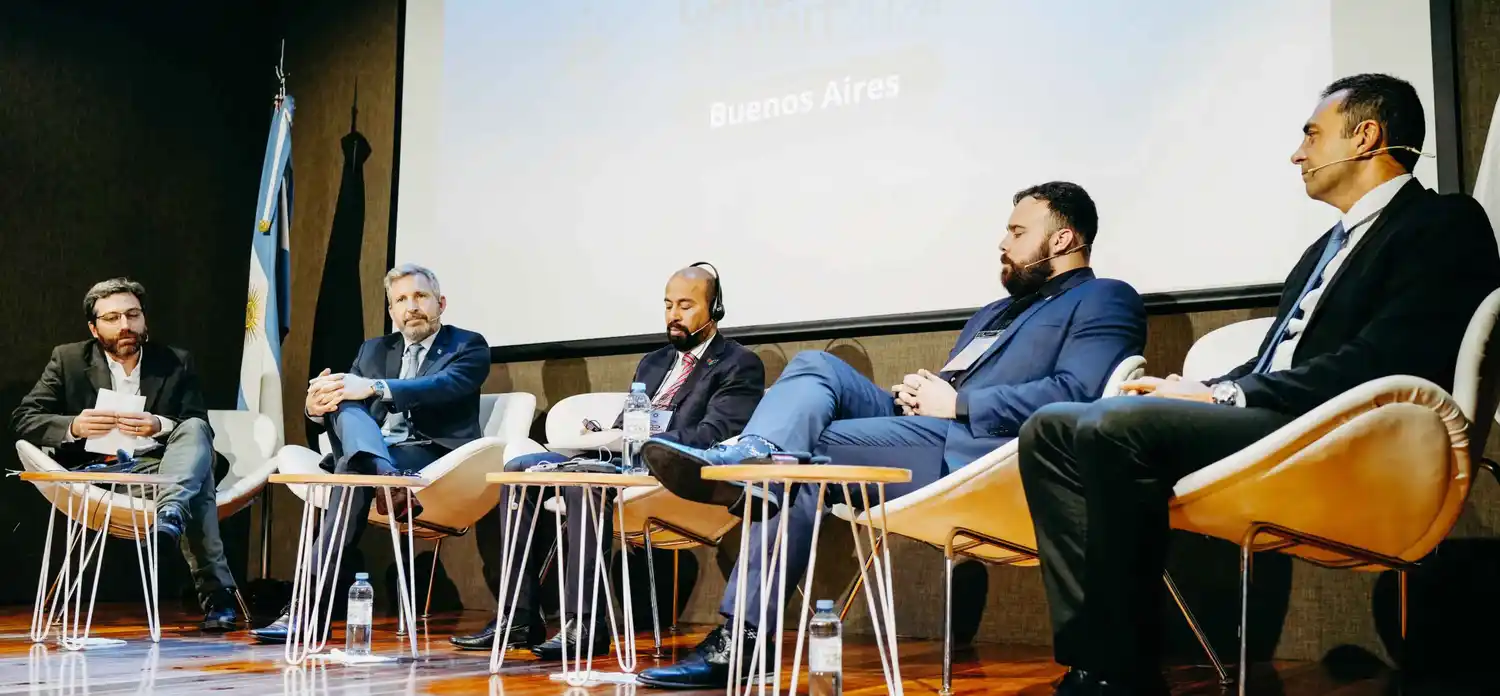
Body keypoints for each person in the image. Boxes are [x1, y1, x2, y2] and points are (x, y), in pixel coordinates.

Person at [1017, 74, 1500, 696]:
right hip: (1280, 415)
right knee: (1051, 427)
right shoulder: (1321, 251)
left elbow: (1386, 357)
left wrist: (1224, 397)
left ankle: (1120, 673)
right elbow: (1276, 360)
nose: (1297, 153)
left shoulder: (1442, 222)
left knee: (1114, 429)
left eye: (1312, 134)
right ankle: (1093, 657)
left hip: (1341, 428)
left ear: (1367, 136)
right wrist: (1198, 387)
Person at [636, 182, 1148, 689]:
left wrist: (960, 402)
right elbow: (957, 380)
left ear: (1061, 241)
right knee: (817, 367)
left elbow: (1079, 394)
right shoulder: (993, 313)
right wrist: (925, 391)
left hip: (980, 451)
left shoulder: (1104, 299)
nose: (1002, 243)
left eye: (1017, 232)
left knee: (795, 466)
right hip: (931, 423)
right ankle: (755, 454)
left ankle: (742, 635)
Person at [450, 263, 766, 659]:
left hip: (675, 473)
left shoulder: (739, 364)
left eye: (686, 305)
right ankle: (518, 616)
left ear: (714, 308)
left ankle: (586, 624)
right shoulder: (653, 362)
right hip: (621, 461)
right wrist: (603, 435)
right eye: (668, 304)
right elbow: (628, 422)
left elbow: (713, 434)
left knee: (585, 479)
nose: (673, 315)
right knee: (519, 471)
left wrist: (646, 438)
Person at [251, 263, 490, 643]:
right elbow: (344, 404)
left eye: (420, 296)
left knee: (352, 471)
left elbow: (443, 386)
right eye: (401, 300)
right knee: (346, 411)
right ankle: (383, 475)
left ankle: (305, 612)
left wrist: (374, 387)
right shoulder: (374, 349)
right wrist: (315, 405)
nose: (411, 307)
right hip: (384, 459)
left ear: (440, 303)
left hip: (433, 456)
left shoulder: (468, 345)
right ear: (392, 311)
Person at [11, 278, 240, 632]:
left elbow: (198, 424)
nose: (125, 326)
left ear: (144, 319)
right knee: (196, 484)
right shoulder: (69, 359)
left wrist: (158, 425)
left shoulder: (175, 361)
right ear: (93, 326)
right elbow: (24, 419)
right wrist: (76, 425)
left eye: (133, 315)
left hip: (162, 466)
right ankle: (216, 594)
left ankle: (172, 512)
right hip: (108, 476)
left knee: (194, 433)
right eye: (113, 317)